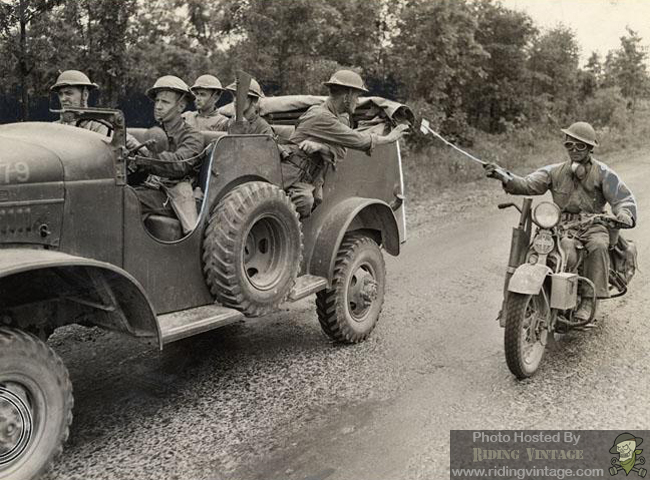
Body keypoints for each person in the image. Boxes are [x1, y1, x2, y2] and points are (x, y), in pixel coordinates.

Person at [484, 121, 637, 322]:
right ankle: (531, 296)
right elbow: (529, 184)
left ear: (590, 148)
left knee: (599, 245)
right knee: (543, 248)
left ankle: (588, 299)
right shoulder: (554, 171)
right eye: (569, 144)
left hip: (594, 224)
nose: (574, 149)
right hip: (560, 225)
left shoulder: (603, 173)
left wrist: (624, 214)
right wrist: (504, 176)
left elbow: (622, 198)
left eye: (580, 145)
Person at [280, 69, 409, 218]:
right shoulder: (322, 116)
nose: (358, 100)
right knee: (304, 202)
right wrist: (390, 138)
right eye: (357, 95)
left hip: (304, 178)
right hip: (290, 179)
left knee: (311, 199)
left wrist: (321, 147)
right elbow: (358, 140)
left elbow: (341, 152)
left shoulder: (334, 117)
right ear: (347, 96)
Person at [130, 75, 205, 232]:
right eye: (157, 101)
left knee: (125, 199)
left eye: (165, 102)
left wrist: (144, 156)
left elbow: (179, 164)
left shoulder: (193, 136)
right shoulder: (156, 133)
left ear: (180, 106)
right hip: (153, 188)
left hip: (175, 194)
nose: (158, 106)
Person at [50, 70, 110, 135]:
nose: (63, 99)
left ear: (85, 95)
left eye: (68, 93)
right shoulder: (53, 127)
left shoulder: (98, 127)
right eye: (60, 94)